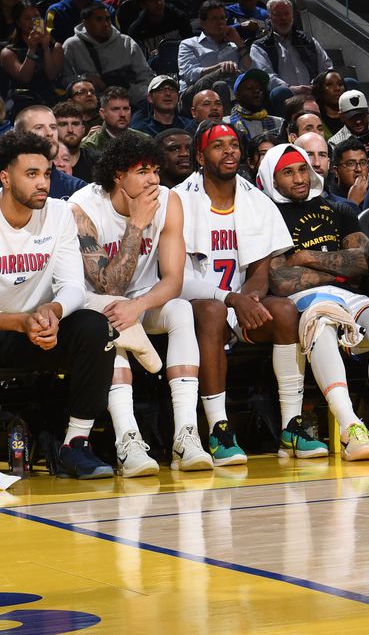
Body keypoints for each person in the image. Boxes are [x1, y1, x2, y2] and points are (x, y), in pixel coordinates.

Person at [69, 133, 213, 475]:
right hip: (94, 303)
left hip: (143, 300)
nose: (153, 179)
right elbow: (110, 285)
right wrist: (135, 225)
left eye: (154, 170)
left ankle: (186, 434)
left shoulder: (169, 200)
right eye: (142, 171)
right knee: (113, 318)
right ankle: (127, 439)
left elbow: (174, 280)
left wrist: (140, 305)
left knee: (180, 309)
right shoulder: (82, 207)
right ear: (118, 175)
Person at [259, 144, 369, 460]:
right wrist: (338, 270)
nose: (299, 178)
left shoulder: (340, 209)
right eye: (288, 172)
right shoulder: (267, 216)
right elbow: (282, 281)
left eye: (302, 169)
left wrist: (305, 257)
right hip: (302, 299)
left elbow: (362, 263)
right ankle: (350, 426)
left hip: (347, 295)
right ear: (272, 179)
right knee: (321, 323)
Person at [178, 121, 301, 465]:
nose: (229, 151)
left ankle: (292, 426)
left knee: (287, 312)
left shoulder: (255, 200)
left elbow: (261, 270)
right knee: (213, 312)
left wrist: (248, 299)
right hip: (194, 305)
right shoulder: (178, 200)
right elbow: (175, 279)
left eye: (233, 144)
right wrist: (230, 301)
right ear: (201, 157)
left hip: (241, 300)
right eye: (218, 146)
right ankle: (219, 428)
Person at [0, 130, 116, 479]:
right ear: (5, 177)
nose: (43, 183)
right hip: (6, 329)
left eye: (47, 174)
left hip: (40, 330)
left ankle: (75, 443)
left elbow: (73, 286)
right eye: (31, 174)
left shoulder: (60, 213)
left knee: (96, 327)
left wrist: (52, 312)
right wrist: (20, 322)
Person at [248, 0, 334, 113]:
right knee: (280, 92)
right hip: (285, 97)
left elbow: (326, 67)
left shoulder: (308, 41)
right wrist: (291, 89)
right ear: (269, 17)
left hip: (314, 93)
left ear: (292, 16)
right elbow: (266, 77)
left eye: (286, 13)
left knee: (347, 83)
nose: (283, 18)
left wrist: (316, 85)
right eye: (277, 14)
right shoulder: (259, 46)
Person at [60, 2, 154, 106]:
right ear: (85, 23)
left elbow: (145, 74)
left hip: (131, 100)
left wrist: (136, 94)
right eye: (99, 20)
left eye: (107, 19)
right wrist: (85, 78)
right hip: (94, 104)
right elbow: (64, 80)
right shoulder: (72, 45)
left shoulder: (126, 42)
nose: (105, 24)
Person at [81, 87, 149, 153]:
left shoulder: (145, 140)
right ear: (102, 113)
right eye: (115, 109)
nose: (122, 114)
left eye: (125, 109)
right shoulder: (89, 147)